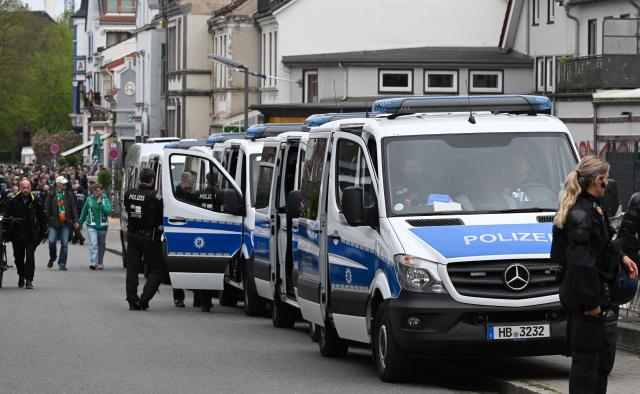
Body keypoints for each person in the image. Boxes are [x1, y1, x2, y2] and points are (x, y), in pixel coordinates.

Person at [551, 156, 638, 394]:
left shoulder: (592, 207)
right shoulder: (580, 214)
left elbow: (604, 242)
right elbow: (582, 264)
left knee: (600, 363)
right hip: (585, 297)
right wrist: (591, 304)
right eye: (606, 179)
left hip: (593, 293)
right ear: (598, 180)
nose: (607, 183)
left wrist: (622, 257)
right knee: (586, 365)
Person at [124, 168, 164, 311]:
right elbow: (161, 217)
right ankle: (144, 300)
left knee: (132, 268)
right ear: (152, 180)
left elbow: (128, 210)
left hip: (132, 235)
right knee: (158, 268)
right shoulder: (155, 196)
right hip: (148, 237)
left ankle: (132, 301)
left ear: (140, 178)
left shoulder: (129, 194)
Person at [1, 179, 46, 289]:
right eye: (24, 187)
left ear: (30, 188)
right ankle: (21, 275)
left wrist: (44, 233)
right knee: (18, 258)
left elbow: (42, 218)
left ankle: (29, 280)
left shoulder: (37, 201)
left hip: (31, 234)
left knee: (30, 257)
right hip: (17, 234)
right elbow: (5, 213)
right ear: (20, 188)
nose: (26, 190)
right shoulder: (13, 200)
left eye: (28, 187)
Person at [44, 176, 79, 270]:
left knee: (64, 243)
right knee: (51, 241)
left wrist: (76, 220)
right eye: (63, 183)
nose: (65, 184)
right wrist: (46, 222)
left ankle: (62, 263)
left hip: (66, 222)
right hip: (54, 222)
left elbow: (74, 208)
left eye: (65, 183)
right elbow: (46, 209)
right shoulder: (51, 194)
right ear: (58, 184)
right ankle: (53, 257)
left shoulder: (69, 194)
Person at [79, 183, 112, 270]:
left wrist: (101, 204)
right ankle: (93, 262)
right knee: (93, 244)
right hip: (91, 225)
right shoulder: (89, 200)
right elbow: (84, 211)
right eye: (94, 190)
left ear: (101, 191)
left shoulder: (105, 200)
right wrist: (80, 222)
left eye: (98, 190)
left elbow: (108, 211)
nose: (96, 192)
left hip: (102, 226)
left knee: (101, 245)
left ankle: (100, 262)